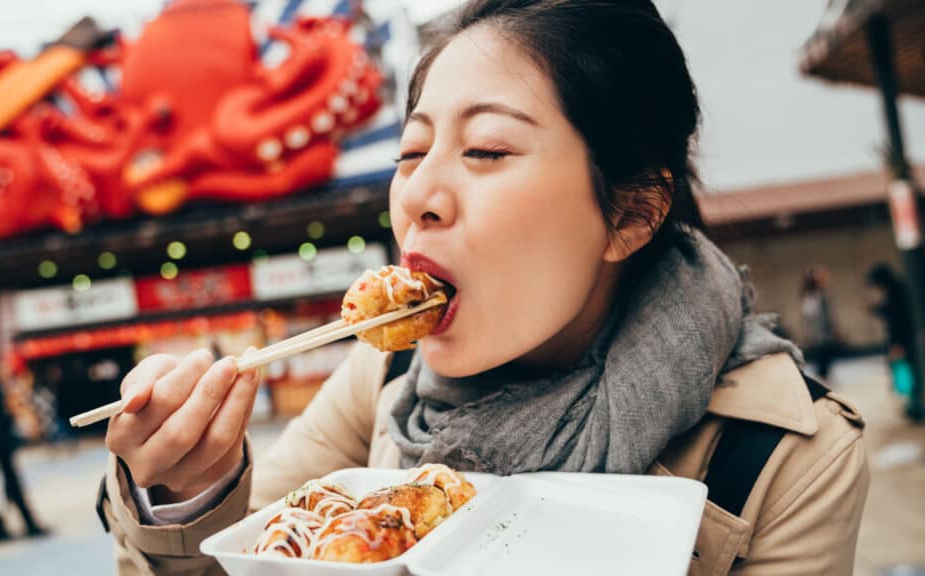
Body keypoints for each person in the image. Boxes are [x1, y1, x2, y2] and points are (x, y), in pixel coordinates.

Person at [99, 2, 868, 574]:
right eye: (410, 151)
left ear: (630, 213)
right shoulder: (386, 375)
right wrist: (183, 497)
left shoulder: (781, 457)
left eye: (488, 149)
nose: (420, 196)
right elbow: (241, 556)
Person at [0, 362, 49, 542]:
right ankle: (27, 524)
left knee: (3, 488)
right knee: (10, 486)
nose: (4, 373)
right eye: (0, 370)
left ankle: (1, 528)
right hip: (1, 449)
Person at [867, 263, 922, 411]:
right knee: (913, 371)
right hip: (908, 338)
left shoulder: (895, 293)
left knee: (912, 372)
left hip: (905, 339)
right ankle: (914, 404)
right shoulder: (900, 289)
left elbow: (897, 318)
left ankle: (916, 405)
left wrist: (897, 344)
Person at [800, 265, 841, 380]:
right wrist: (811, 333)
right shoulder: (812, 296)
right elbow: (812, 317)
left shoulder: (819, 294)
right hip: (819, 335)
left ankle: (825, 377)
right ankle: (823, 378)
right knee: (822, 360)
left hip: (823, 333)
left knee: (825, 359)